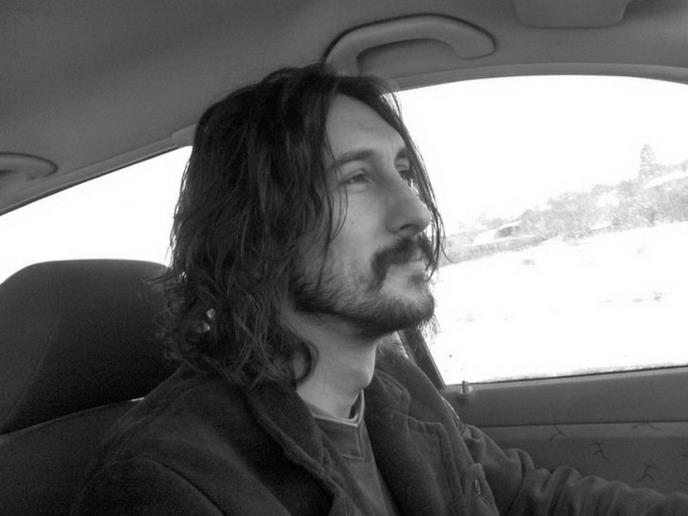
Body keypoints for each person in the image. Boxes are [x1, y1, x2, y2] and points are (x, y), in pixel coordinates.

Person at [71, 64, 688, 515]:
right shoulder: (169, 479)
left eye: (403, 171)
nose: (416, 210)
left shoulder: (397, 389)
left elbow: (530, 499)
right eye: (356, 178)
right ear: (254, 230)